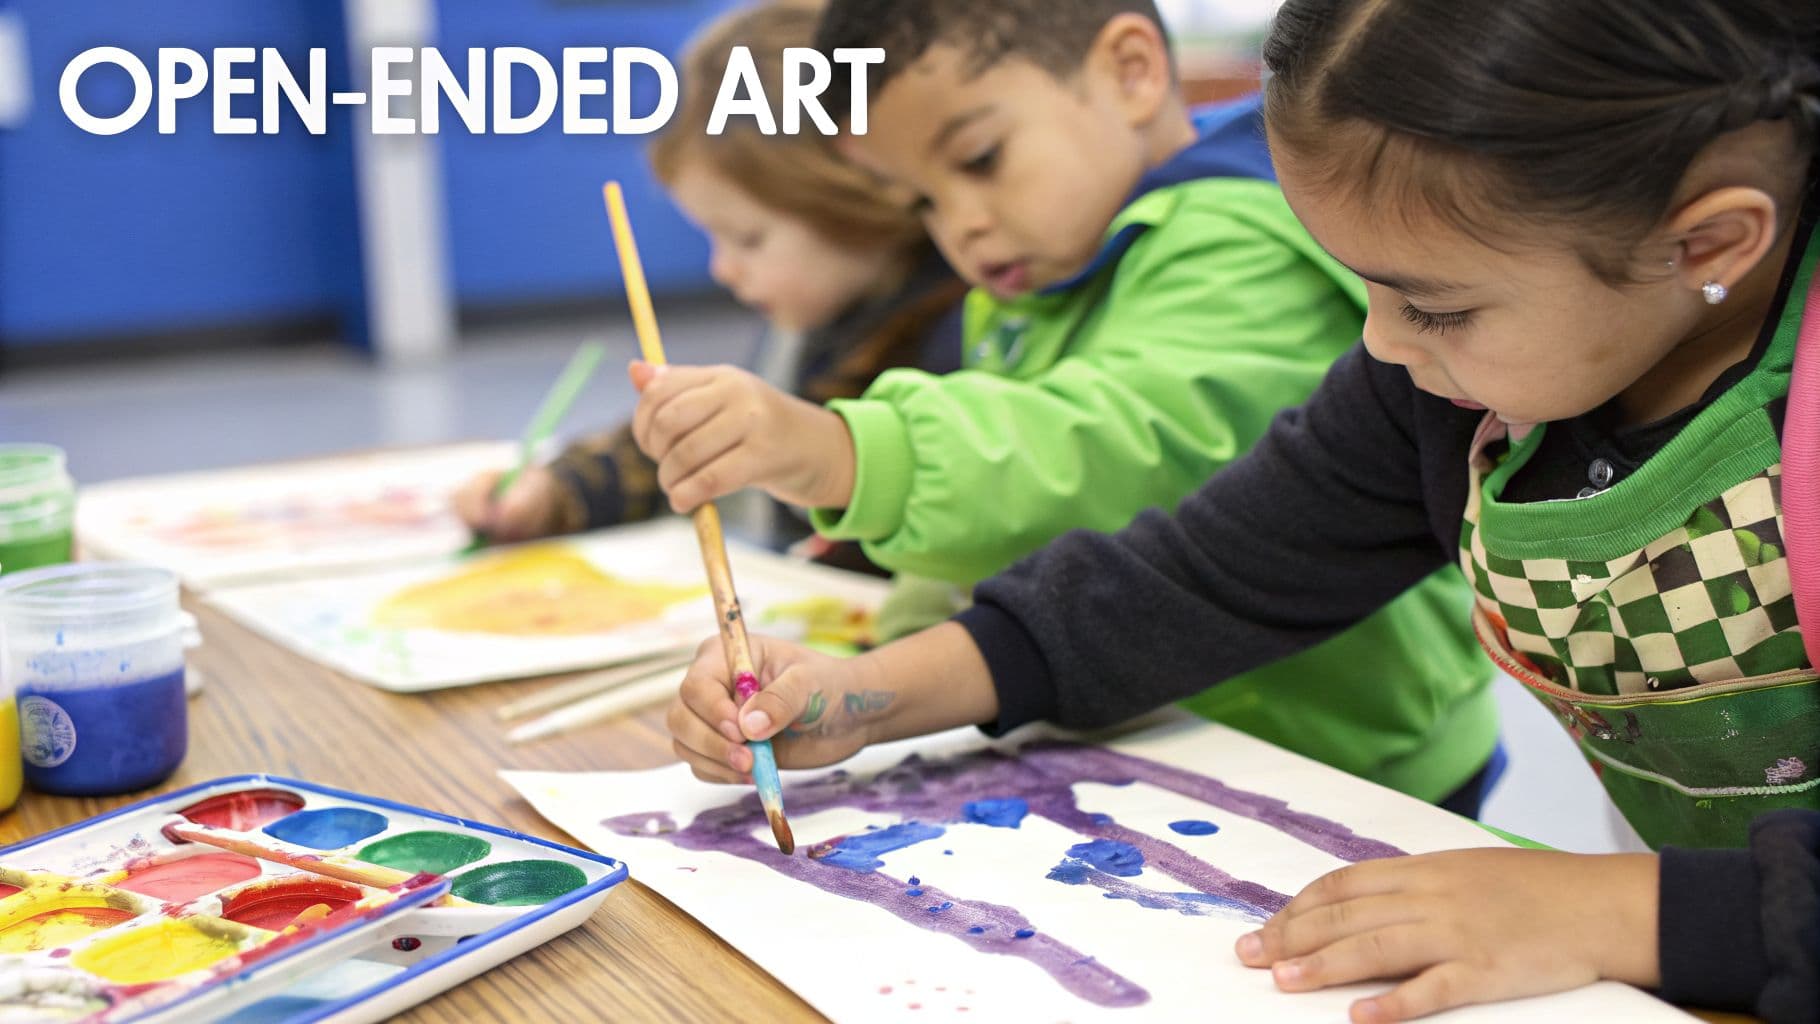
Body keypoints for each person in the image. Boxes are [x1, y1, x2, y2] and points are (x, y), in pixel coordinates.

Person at [667, 0, 1820, 1019]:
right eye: (1361, 284)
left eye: (1435, 304)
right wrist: (874, 698)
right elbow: (1205, 575)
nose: (1376, 342)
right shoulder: (1436, 386)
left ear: (1706, 244)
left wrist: (1635, 913)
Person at [634, 0, 1499, 812]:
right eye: (925, 201)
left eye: (979, 160)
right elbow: (982, 554)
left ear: (1130, 72)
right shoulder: (1031, 280)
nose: (961, 226)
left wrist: (841, 453)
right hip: (1152, 736)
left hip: (1345, 764)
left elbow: (1122, 448)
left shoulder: (1234, 245)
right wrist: (868, 675)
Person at [454, 0, 964, 561]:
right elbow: (696, 446)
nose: (721, 269)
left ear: (862, 195)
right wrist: (557, 492)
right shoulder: (816, 322)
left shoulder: (953, 342)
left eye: (747, 238)